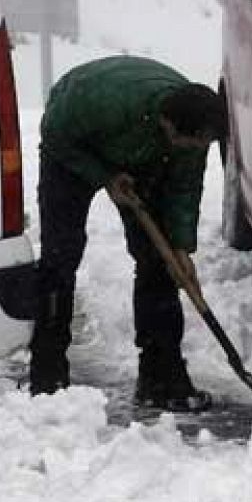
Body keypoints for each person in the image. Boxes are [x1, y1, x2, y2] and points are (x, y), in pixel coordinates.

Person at [29, 55, 228, 411]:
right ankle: (47, 378)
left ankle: (162, 378)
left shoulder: (195, 131)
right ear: (169, 126)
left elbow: (184, 190)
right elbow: (55, 133)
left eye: (202, 146)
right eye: (191, 145)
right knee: (60, 257)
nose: (197, 152)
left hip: (144, 155)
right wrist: (104, 176)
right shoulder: (103, 103)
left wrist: (181, 247)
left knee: (157, 261)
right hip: (72, 148)